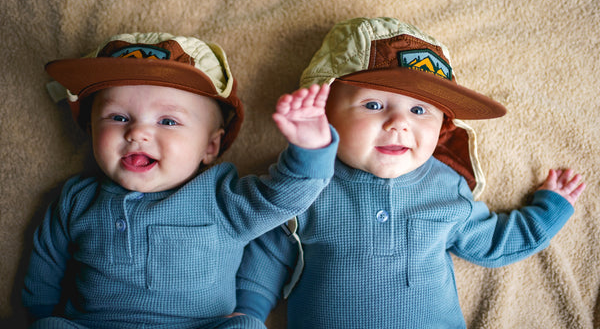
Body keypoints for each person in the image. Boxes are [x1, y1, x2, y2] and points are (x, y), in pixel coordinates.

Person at [234, 17, 586, 328]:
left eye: (420, 110)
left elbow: (491, 242)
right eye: (373, 105)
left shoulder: (447, 187)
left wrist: (549, 209)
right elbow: (268, 257)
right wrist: (247, 311)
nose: (399, 123)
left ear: (443, 128)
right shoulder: (302, 186)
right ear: (322, 112)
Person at [22, 32, 338, 329]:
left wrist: (309, 148)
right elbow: (45, 264)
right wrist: (42, 311)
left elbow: (282, 197)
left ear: (210, 146)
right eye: (118, 117)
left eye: (168, 121)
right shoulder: (77, 199)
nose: (137, 133)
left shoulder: (222, 199)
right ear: (90, 129)